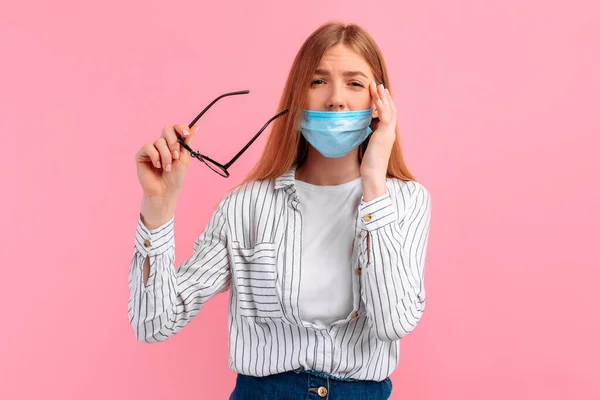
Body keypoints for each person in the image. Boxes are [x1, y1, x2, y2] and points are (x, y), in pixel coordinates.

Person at [129, 21, 432, 400]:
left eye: (355, 83)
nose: (336, 99)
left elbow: (393, 323)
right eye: (318, 81)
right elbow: (152, 323)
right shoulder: (246, 206)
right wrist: (158, 206)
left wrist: (374, 182)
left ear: (379, 102)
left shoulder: (407, 201)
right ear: (297, 97)